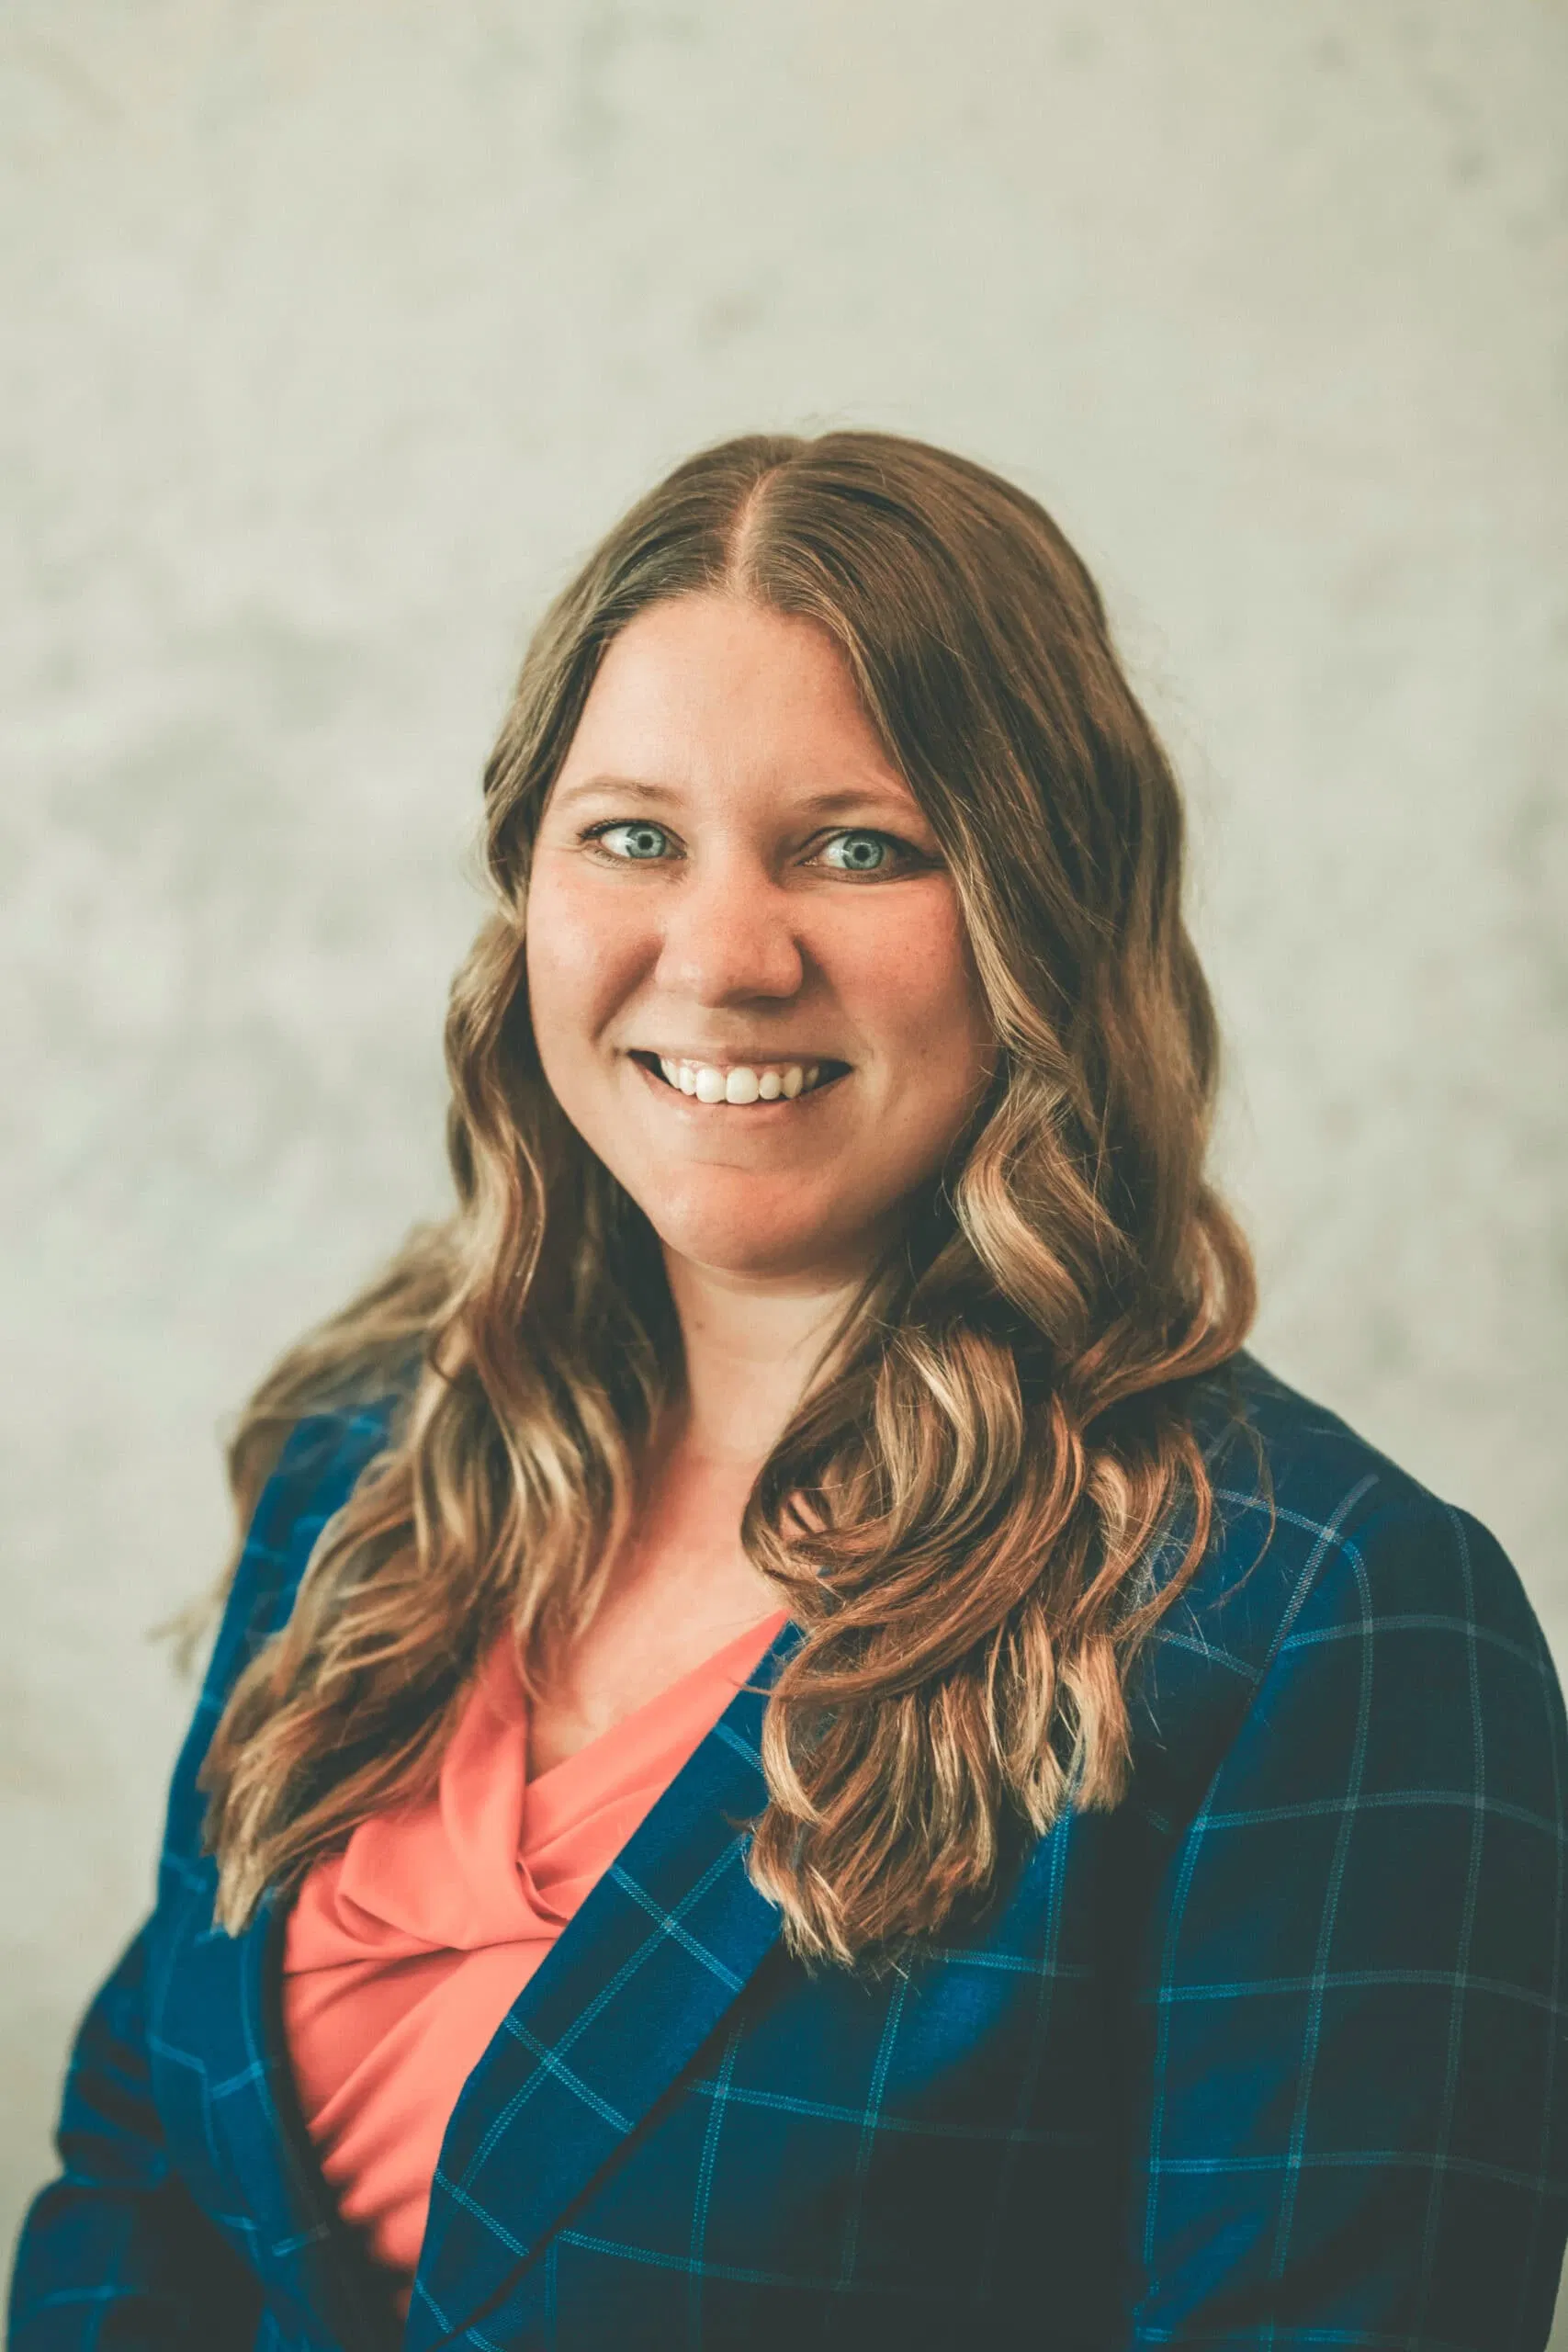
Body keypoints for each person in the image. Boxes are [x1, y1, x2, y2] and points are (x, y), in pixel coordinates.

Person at [9, 431, 1565, 2352]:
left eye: (857, 845)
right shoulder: (366, 1468)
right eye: (633, 835)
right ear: (529, 895)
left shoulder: (1321, 1619)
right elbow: (142, 2176)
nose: (725, 956)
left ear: (1041, 916)